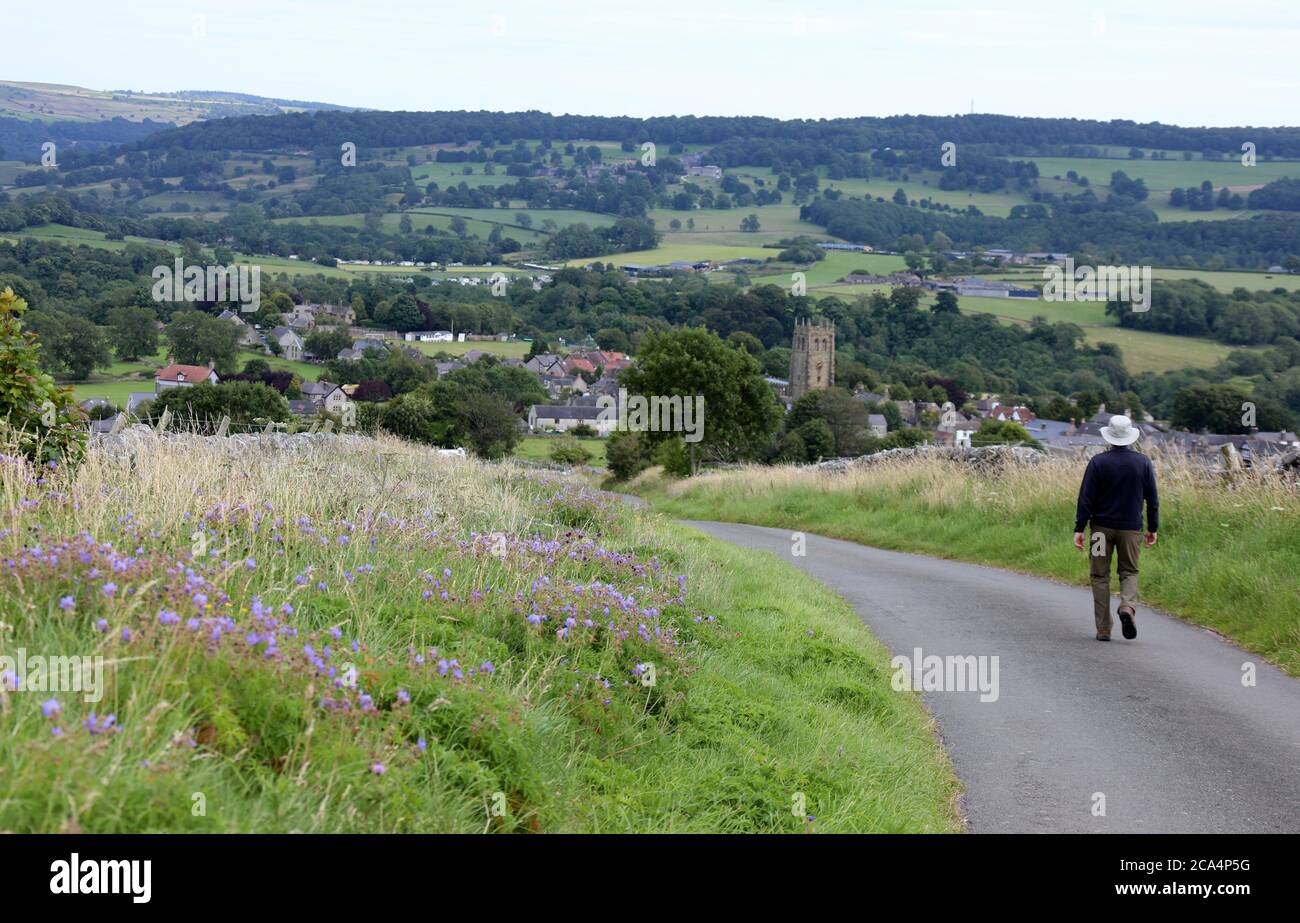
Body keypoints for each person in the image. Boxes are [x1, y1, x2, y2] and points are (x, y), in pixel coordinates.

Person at [1072, 415, 1159, 641]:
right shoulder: (1143, 463)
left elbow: (1085, 499)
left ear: (1109, 437)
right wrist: (1153, 528)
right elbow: (1153, 499)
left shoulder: (1098, 463)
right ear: (1130, 436)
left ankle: (1103, 628)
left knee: (1099, 575)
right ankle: (1127, 607)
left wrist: (1079, 528)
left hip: (1101, 530)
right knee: (1129, 571)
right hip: (1131, 530)